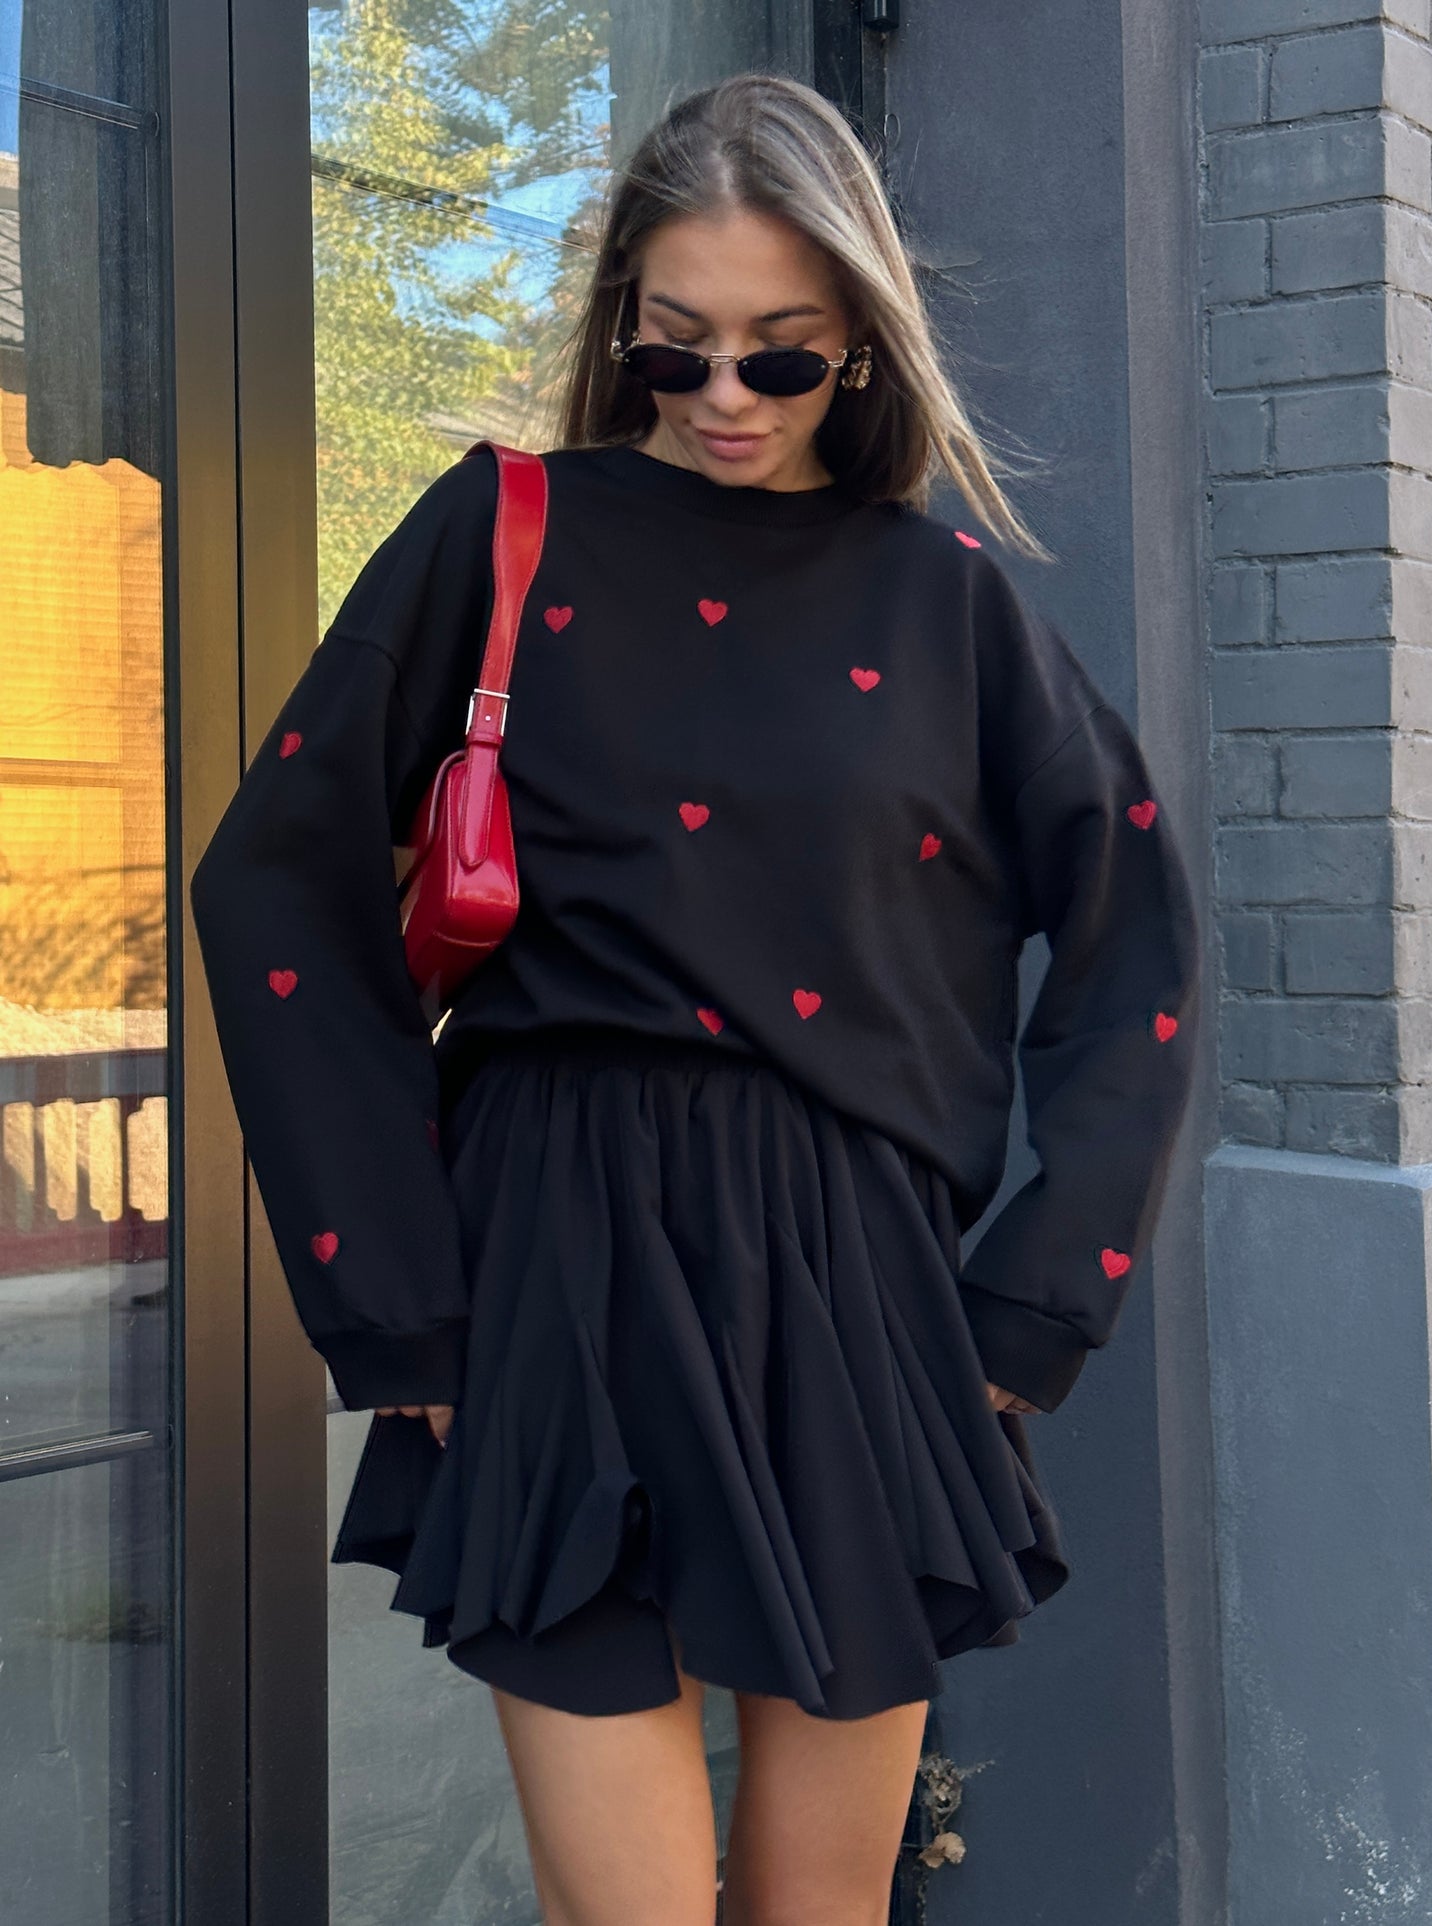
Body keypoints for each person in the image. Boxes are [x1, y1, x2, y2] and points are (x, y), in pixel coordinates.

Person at [189, 70, 1200, 1926]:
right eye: (675, 350)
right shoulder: (500, 534)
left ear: (865, 355)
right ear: (620, 332)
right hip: (548, 1258)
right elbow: (273, 883)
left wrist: (1035, 1297)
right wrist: (393, 1295)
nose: (721, 398)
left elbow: (1133, 925)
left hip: (857, 1276)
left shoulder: (946, 601)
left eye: (781, 356)